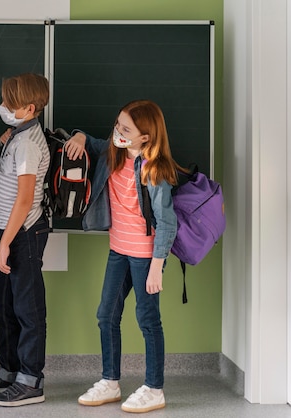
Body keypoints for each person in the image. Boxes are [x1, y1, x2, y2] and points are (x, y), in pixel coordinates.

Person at [66, 100, 178, 413]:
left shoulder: (155, 170)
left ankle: (155, 388)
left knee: (147, 319)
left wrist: (157, 266)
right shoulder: (113, 153)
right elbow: (89, 141)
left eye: (126, 129)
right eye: (118, 124)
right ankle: (110, 382)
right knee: (106, 314)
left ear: (146, 137)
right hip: (119, 250)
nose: (118, 132)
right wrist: (78, 136)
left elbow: (167, 222)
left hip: (145, 256)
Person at [0, 73, 50, 407]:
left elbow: (25, 198)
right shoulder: (20, 134)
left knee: (27, 308)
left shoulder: (28, 143)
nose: (2, 107)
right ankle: (9, 370)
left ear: (29, 108)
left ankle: (31, 381)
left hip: (23, 234)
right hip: (10, 233)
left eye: (9, 104)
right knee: (3, 303)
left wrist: (5, 244)